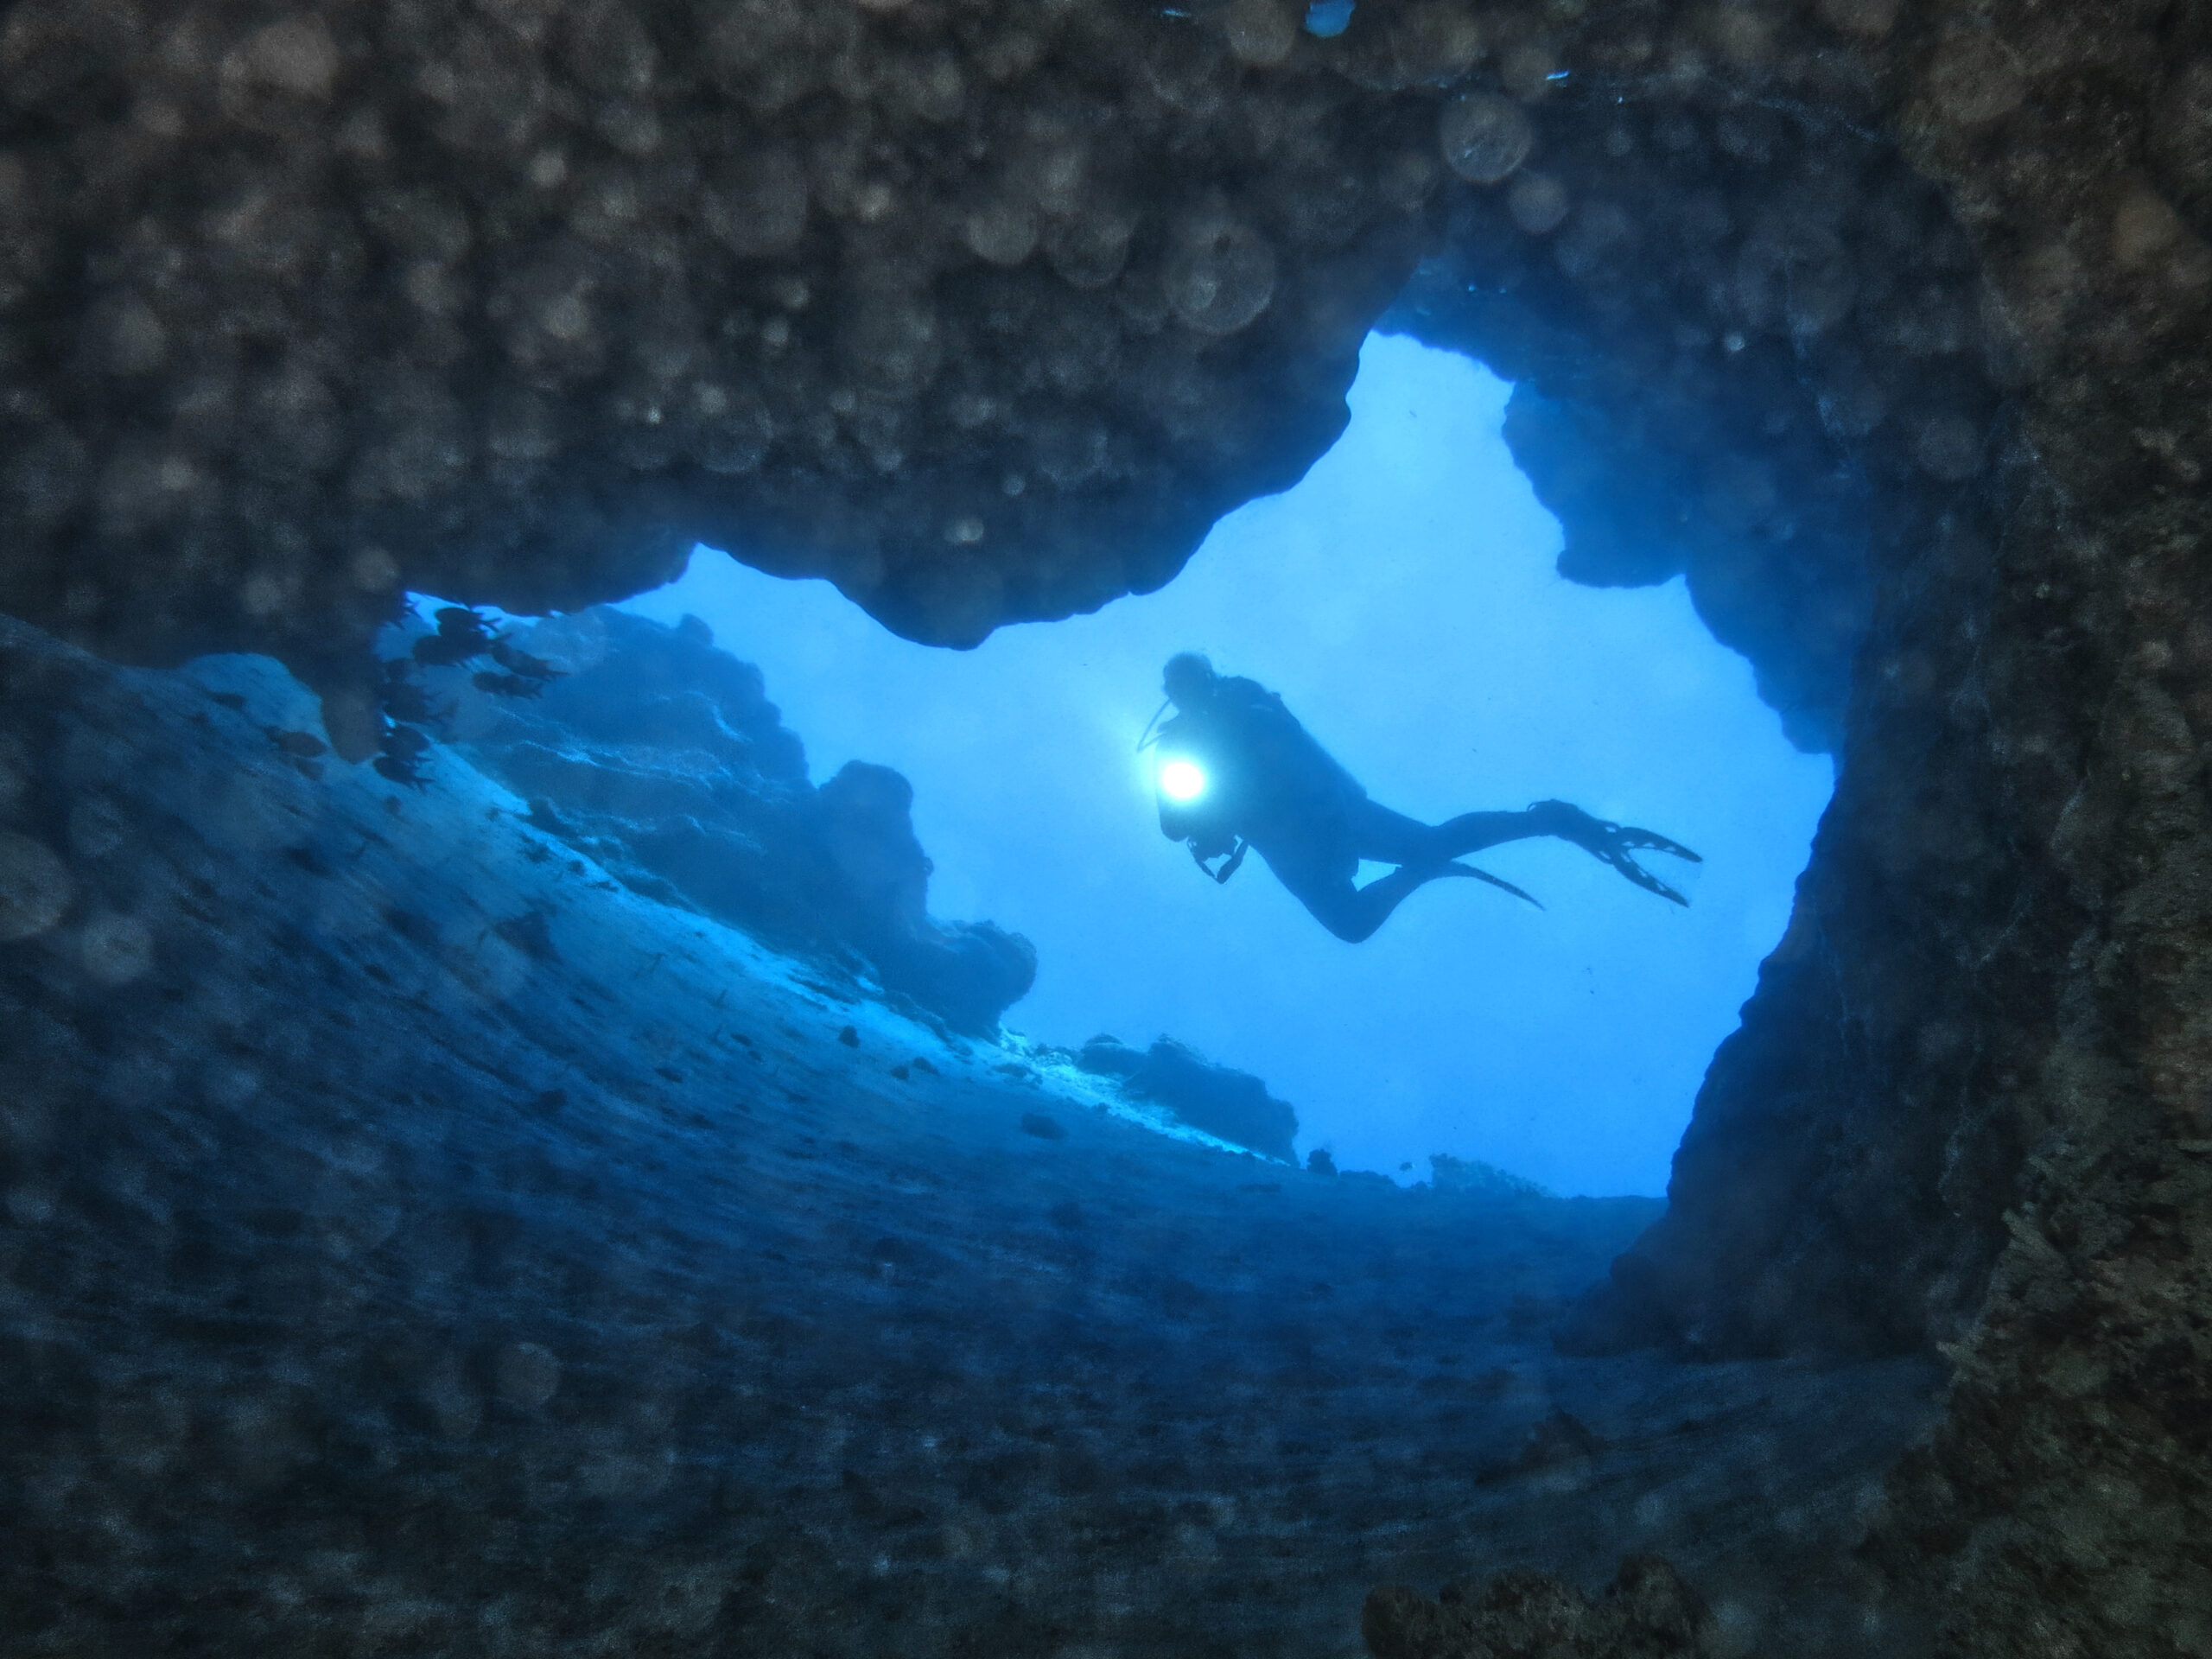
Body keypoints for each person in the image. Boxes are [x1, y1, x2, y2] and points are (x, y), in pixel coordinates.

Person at [1146, 652, 1699, 944]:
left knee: (1412, 864)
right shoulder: (1184, 741)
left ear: (1204, 681)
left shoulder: (1247, 712)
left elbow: (1294, 761)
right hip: (1303, 833)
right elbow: (1174, 823)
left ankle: (1546, 822)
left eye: (1191, 684)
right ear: (1173, 696)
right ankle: (1521, 831)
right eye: (1180, 689)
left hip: (1322, 819)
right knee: (1358, 920)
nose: (1189, 696)